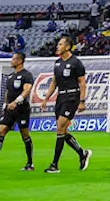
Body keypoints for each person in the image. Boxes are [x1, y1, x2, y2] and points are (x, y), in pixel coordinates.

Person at [37, 36, 92, 174]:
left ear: (67, 47)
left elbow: (83, 83)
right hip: (61, 97)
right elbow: (54, 82)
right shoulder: (57, 63)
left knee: (60, 127)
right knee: (62, 130)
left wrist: (82, 101)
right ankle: (82, 153)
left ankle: (54, 165)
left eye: (60, 44)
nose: (57, 46)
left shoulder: (76, 63)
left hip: (72, 97)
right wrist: (46, 98)